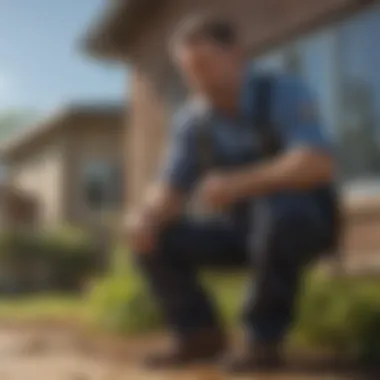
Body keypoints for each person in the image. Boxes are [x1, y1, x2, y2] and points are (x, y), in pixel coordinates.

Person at [125, 13, 337, 374]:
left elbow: (316, 163)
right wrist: (145, 216)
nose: (196, 78)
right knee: (153, 236)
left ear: (236, 55)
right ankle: (199, 334)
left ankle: (262, 340)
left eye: (204, 64)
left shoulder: (283, 90)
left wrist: (238, 183)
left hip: (304, 223)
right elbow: (170, 188)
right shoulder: (192, 122)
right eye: (187, 70)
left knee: (281, 209)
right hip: (241, 232)